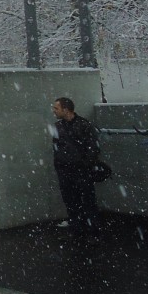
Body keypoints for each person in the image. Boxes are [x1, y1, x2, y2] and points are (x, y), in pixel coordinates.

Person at [51, 96, 101, 239]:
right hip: (65, 171)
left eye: (56, 108)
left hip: (81, 172)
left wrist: (85, 166)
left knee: (87, 203)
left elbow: (93, 149)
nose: (54, 111)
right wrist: (60, 167)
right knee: (71, 202)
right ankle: (77, 230)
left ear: (66, 110)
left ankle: (92, 233)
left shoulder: (84, 125)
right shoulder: (58, 127)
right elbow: (56, 148)